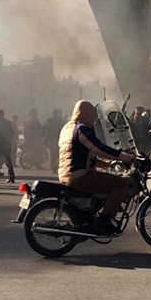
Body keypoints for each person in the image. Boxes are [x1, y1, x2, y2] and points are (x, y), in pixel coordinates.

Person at [58, 100, 136, 235]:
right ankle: (105, 219)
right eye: (93, 115)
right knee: (121, 184)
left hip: (66, 174)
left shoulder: (67, 128)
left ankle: (93, 217)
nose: (94, 119)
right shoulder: (82, 129)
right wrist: (122, 156)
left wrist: (107, 164)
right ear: (87, 113)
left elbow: (80, 155)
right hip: (79, 176)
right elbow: (98, 148)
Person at [0, 109, 16, 183]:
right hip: (6, 144)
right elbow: (12, 133)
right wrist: (8, 140)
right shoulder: (7, 123)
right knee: (8, 162)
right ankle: (11, 177)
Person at [43, 109, 64, 174]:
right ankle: (55, 167)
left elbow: (44, 130)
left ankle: (54, 166)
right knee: (55, 154)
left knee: (54, 154)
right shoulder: (58, 121)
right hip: (55, 139)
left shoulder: (49, 121)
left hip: (54, 139)